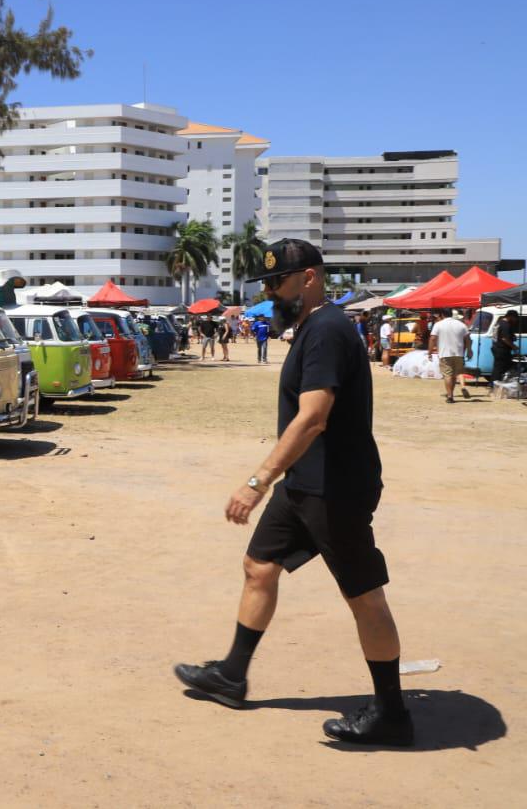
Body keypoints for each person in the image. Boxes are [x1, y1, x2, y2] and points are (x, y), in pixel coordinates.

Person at [174, 238, 412, 746]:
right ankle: (232, 675)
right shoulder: (313, 328)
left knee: (365, 597)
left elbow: (314, 417)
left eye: (277, 282)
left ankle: (392, 713)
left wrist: (258, 480)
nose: (271, 292)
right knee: (259, 566)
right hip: (305, 483)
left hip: (334, 489)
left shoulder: (327, 330)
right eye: (267, 284)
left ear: (308, 278)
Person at [428, 309, 472, 403]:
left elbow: (432, 338)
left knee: (448, 375)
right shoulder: (461, 324)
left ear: (442, 314)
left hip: (445, 354)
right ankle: (451, 393)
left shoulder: (438, 325)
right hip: (459, 354)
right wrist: (469, 350)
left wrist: (430, 352)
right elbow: (468, 338)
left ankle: (450, 395)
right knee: (454, 376)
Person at [491, 309, 520, 384]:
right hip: (502, 349)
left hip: (496, 347)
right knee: (502, 367)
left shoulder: (498, 323)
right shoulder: (505, 325)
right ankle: (495, 384)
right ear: (511, 317)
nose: (515, 320)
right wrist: (514, 346)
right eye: (515, 318)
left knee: (497, 367)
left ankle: (493, 383)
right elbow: (505, 338)